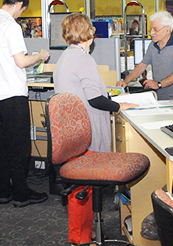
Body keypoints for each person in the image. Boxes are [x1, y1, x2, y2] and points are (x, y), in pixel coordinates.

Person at [52, 13, 139, 244]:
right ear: (89, 34)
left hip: (74, 135)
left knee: (82, 188)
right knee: (84, 188)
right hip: (86, 133)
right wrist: (119, 105)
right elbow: (94, 99)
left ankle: (85, 234)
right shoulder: (83, 59)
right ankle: (81, 239)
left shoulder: (66, 57)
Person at [0, 0, 49, 208]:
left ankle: (2, 191)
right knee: (20, 146)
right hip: (12, 94)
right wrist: (39, 56)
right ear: (19, 4)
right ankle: (21, 194)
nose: (21, 15)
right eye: (22, 10)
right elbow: (20, 61)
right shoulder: (11, 26)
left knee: (1, 146)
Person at [116, 11, 173, 100]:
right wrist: (125, 82)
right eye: (151, 29)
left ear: (167, 30)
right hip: (159, 95)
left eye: (155, 29)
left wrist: (159, 84)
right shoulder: (153, 45)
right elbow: (142, 65)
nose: (151, 33)